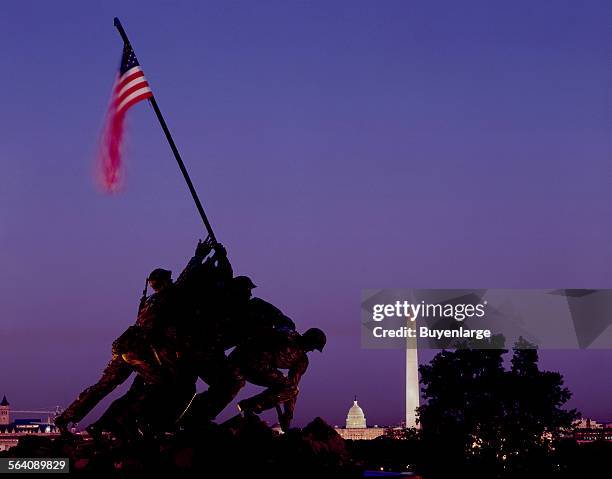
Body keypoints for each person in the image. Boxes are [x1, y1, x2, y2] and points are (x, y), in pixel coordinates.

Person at [55, 239, 213, 434]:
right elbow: (185, 278)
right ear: (164, 283)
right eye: (169, 281)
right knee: (163, 383)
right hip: (141, 352)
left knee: (103, 386)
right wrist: (199, 256)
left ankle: (66, 418)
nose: (172, 282)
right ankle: (132, 422)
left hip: (125, 348)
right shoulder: (167, 297)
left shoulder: (149, 302)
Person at [231, 328, 326, 431]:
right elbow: (292, 388)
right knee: (291, 388)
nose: (311, 350)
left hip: (243, 361)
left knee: (287, 387)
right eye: (313, 346)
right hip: (249, 361)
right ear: (309, 340)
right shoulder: (288, 337)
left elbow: (291, 385)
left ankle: (249, 407)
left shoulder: (300, 358)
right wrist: (288, 416)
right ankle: (249, 405)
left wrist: (288, 415)